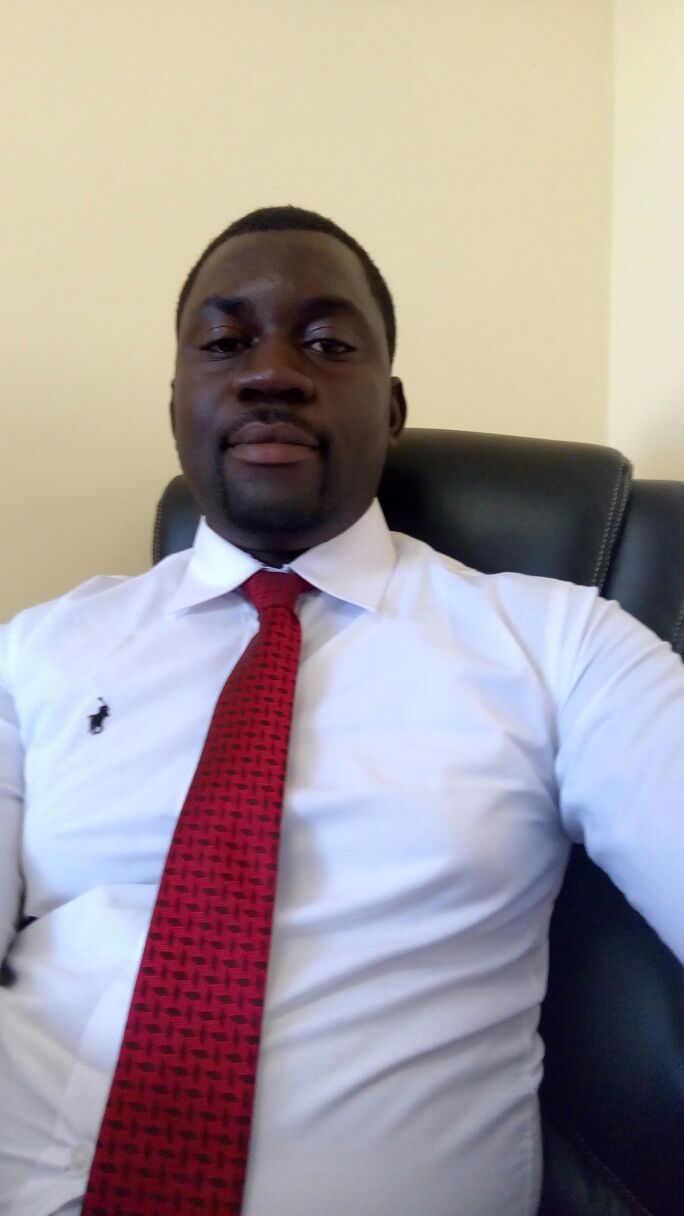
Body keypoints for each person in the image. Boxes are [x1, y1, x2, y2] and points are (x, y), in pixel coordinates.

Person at [0, 206, 682, 1216]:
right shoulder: (37, 651)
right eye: (224, 343)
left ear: (393, 405)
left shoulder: (561, 648)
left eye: (325, 343)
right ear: (176, 401)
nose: (271, 372)